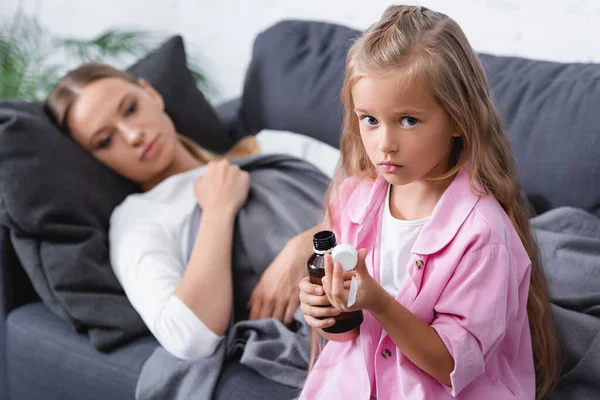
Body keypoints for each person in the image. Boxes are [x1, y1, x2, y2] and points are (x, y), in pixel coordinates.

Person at [298, 5, 559, 400]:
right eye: (369, 119)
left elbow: (451, 365)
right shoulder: (353, 198)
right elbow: (349, 331)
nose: (384, 143)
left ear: (457, 119)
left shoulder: (482, 234)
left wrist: (379, 302)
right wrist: (326, 310)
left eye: (408, 120)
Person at [44, 64, 321, 361]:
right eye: (106, 141)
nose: (133, 135)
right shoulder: (139, 219)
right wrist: (218, 210)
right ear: (96, 160)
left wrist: (304, 249)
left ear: (152, 94)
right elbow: (188, 338)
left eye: (130, 109)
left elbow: (373, 187)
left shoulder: (271, 145)